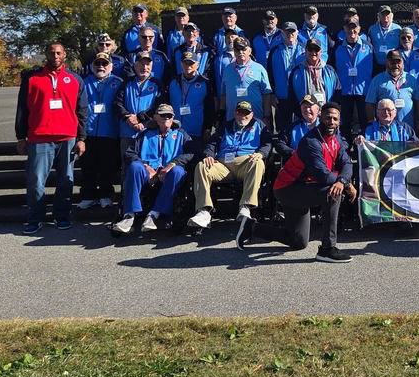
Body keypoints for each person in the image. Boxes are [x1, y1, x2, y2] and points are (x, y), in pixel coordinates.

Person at [254, 102, 356, 263]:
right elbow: (323, 175)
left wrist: (343, 180)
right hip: (288, 188)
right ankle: (327, 249)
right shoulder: (311, 141)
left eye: (335, 119)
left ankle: (251, 228)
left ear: (339, 121)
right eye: (327, 117)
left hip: (305, 187)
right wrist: (346, 185)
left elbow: (347, 163)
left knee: (298, 242)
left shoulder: (336, 136)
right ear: (320, 117)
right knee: (333, 192)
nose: (331, 122)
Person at [14, 42, 87, 233]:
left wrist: (81, 138)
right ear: (46, 54)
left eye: (58, 53)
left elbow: (82, 111)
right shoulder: (32, 78)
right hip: (40, 136)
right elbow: (22, 109)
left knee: (66, 179)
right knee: (36, 180)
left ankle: (61, 216)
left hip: (67, 137)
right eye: (51, 52)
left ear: (65, 55)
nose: (55, 56)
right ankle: (35, 218)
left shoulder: (75, 79)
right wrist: (20, 136)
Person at [189, 100, 272, 236]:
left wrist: (261, 153)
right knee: (202, 166)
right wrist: (209, 155)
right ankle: (203, 211)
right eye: (240, 112)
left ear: (252, 114)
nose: (242, 116)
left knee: (258, 163)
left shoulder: (259, 125)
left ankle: (246, 207)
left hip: (246, 161)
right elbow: (212, 143)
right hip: (223, 164)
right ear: (235, 113)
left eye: (246, 113)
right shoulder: (226, 126)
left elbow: (267, 144)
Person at [112, 105, 194, 234]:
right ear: (155, 117)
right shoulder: (144, 134)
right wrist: (146, 166)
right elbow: (129, 153)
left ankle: (154, 214)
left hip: (169, 173)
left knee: (178, 171)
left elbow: (191, 153)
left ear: (173, 117)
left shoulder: (181, 134)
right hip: (148, 174)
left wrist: (172, 165)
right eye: (162, 115)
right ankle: (129, 215)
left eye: (169, 115)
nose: (166, 118)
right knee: (135, 167)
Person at [77, 51, 122, 210]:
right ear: (92, 66)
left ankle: (105, 195)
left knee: (107, 166)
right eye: (98, 63)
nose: (101, 66)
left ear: (111, 65)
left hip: (110, 132)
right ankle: (88, 195)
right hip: (88, 132)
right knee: (88, 166)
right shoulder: (83, 82)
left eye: (104, 63)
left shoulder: (118, 82)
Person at [113, 53, 163, 159]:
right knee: (127, 168)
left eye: (147, 64)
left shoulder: (158, 84)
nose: (144, 67)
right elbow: (117, 103)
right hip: (128, 132)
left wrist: (140, 118)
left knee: (148, 167)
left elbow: (159, 107)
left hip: (149, 133)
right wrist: (128, 118)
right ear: (135, 66)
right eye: (141, 64)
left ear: (152, 66)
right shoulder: (126, 83)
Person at [332, 17, 374, 138]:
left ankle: (362, 150)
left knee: (365, 123)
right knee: (344, 123)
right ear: (344, 29)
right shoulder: (337, 47)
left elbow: (375, 68)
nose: (352, 30)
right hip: (344, 91)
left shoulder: (369, 47)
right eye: (349, 27)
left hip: (363, 91)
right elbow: (333, 68)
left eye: (354, 27)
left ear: (359, 29)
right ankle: (345, 148)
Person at [365, 49, 419, 132]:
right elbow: (370, 103)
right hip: (385, 128)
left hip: (409, 127)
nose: (395, 65)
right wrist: (371, 121)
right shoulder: (377, 80)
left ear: (403, 63)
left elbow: (418, 101)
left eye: (398, 62)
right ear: (386, 63)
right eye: (392, 62)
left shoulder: (411, 79)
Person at [220, 38, 273, 126]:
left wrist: (267, 116)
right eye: (237, 50)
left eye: (244, 49)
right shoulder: (227, 69)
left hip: (255, 118)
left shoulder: (259, 69)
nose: (241, 52)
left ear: (250, 51)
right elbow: (223, 94)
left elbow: (266, 94)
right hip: (232, 119)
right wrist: (220, 114)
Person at [167, 50, 215, 140]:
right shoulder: (173, 81)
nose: (188, 66)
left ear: (197, 65)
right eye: (185, 63)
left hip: (196, 132)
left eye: (191, 63)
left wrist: (208, 128)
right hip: (174, 131)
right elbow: (168, 103)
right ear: (181, 64)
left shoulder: (204, 83)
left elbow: (210, 108)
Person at [287, 39, 341, 119]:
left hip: (326, 115)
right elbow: (292, 96)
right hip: (305, 116)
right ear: (305, 50)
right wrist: (301, 114)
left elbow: (337, 92)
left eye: (316, 49)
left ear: (321, 51)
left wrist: (329, 111)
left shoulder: (330, 70)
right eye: (310, 49)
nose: (313, 52)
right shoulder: (296, 71)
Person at [267, 22, 303, 130]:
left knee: (300, 126)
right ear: (282, 33)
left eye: (292, 31)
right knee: (283, 128)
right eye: (287, 32)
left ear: (297, 33)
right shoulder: (275, 51)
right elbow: (270, 74)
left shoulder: (304, 50)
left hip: (300, 96)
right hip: (282, 96)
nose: (290, 34)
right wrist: (272, 94)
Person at [396, 27, 419, 99]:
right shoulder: (395, 53)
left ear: (413, 38)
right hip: (402, 90)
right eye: (403, 38)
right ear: (399, 39)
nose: (406, 39)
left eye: (409, 37)